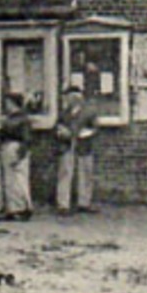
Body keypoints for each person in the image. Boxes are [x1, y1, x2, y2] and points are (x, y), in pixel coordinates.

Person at [54, 84, 97, 216]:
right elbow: (57, 126)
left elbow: (94, 129)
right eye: (68, 98)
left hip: (83, 146)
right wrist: (61, 132)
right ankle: (63, 204)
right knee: (65, 173)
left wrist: (82, 134)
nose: (70, 100)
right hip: (67, 146)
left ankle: (84, 202)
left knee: (85, 173)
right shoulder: (64, 113)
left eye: (73, 97)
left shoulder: (89, 112)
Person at [0, 91, 33, 221]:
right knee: (8, 179)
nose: (6, 105)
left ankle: (21, 208)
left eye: (8, 103)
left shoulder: (22, 119)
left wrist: (20, 154)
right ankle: (11, 208)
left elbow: (27, 139)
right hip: (7, 147)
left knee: (18, 179)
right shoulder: (10, 118)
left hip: (16, 148)